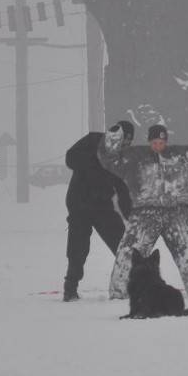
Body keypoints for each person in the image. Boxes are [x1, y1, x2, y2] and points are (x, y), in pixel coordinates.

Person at [98, 120, 188, 299]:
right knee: (129, 254)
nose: (158, 146)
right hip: (144, 214)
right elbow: (110, 158)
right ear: (149, 141)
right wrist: (113, 138)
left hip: (177, 213)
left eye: (161, 143)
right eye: (154, 142)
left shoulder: (181, 156)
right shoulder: (134, 157)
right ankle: (119, 294)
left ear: (166, 142)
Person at [63, 120, 134, 302]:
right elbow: (70, 158)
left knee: (122, 244)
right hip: (79, 203)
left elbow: (122, 188)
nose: (126, 145)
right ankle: (70, 289)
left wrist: (131, 215)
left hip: (103, 207)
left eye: (129, 143)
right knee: (78, 249)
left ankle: (134, 283)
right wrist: (97, 161)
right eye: (125, 140)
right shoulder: (94, 140)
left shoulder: (120, 158)